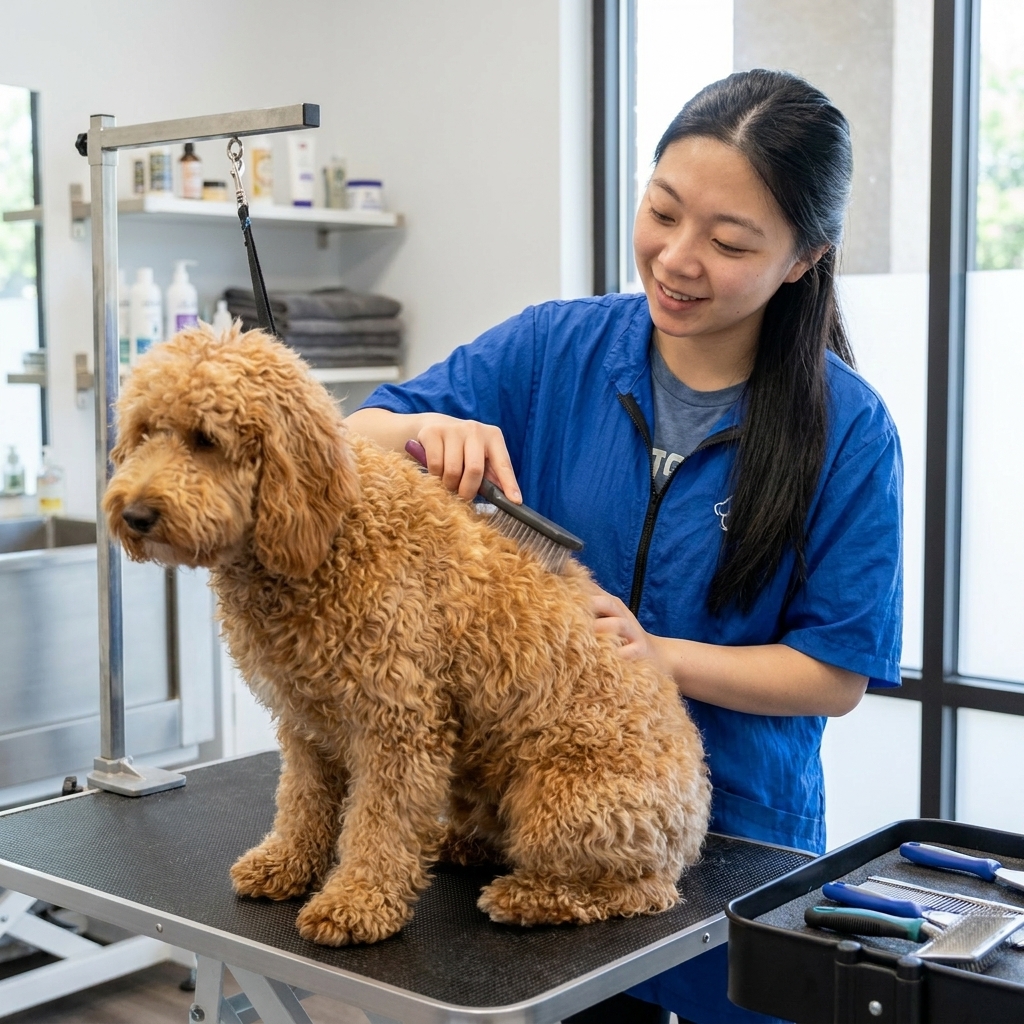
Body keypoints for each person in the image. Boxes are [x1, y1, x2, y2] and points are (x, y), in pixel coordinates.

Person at [346, 69, 903, 1024]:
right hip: (538, 824)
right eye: (663, 212)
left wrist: (654, 655)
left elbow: (834, 672)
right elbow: (347, 438)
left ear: (804, 258)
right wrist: (424, 429)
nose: (679, 259)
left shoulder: (847, 431)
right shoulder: (549, 351)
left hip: (741, 841)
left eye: (729, 242)